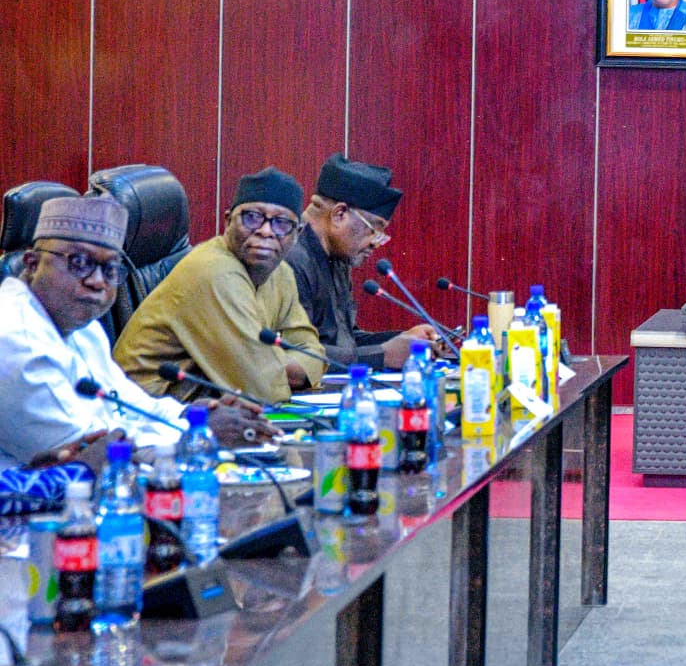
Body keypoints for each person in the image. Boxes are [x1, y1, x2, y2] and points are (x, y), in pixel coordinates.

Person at [0, 195, 267, 478]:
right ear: (32, 264)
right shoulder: (16, 340)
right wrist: (201, 433)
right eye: (79, 262)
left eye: (110, 269)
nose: (97, 282)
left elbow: (135, 406)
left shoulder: (81, 326)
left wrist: (192, 416)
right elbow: (93, 456)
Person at [115, 167, 325, 404]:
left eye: (281, 223)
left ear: (297, 234)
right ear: (228, 221)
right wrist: (271, 367)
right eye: (252, 217)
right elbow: (261, 387)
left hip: (208, 406)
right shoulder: (214, 271)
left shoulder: (282, 273)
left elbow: (312, 352)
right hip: (145, 409)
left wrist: (270, 364)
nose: (265, 231)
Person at [287, 153, 441, 370]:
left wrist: (404, 341)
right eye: (374, 230)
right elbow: (296, 355)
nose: (376, 243)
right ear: (339, 214)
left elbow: (345, 342)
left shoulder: (337, 258)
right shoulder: (289, 259)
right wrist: (383, 355)